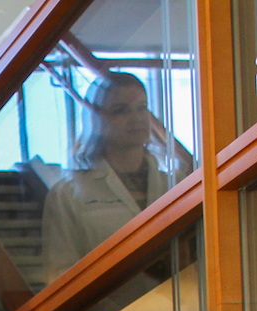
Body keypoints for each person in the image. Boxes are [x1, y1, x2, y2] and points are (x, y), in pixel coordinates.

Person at [41, 72, 180, 279]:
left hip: (180, 307)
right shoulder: (68, 194)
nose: (136, 118)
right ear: (96, 119)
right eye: (121, 110)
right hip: (109, 310)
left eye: (142, 107)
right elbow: (60, 274)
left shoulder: (175, 186)